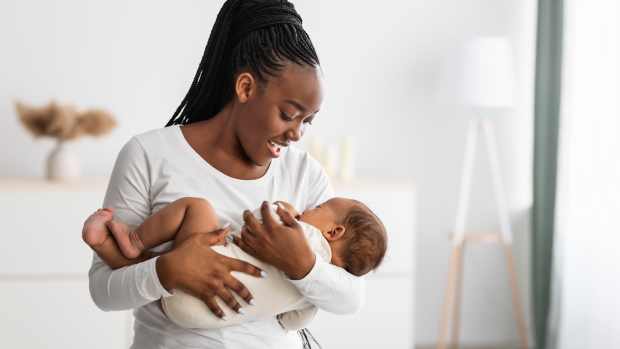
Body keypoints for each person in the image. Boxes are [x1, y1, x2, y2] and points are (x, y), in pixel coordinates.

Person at [87, 1, 366, 348]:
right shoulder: (151, 155)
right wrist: (165, 271)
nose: (297, 134)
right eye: (288, 114)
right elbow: (103, 290)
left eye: (307, 121)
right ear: (246, 88)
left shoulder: (303, 174)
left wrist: (304, 265)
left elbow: (352, 297)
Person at [83, 197, 387, 330]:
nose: (310, 206)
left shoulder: (302, 233)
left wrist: (284, 208)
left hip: (188, 283)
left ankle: (132, 242)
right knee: (167, 265)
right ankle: (104, 244)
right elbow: (291, 323)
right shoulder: (314, 297)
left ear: (334, 232)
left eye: (319, 207)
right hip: (199, 317)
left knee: (197, 208)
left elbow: (256, 219)